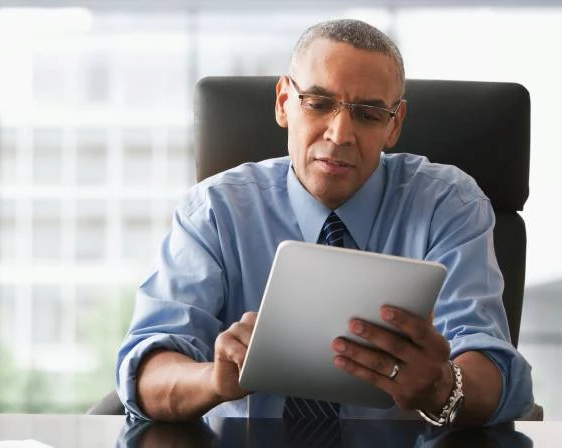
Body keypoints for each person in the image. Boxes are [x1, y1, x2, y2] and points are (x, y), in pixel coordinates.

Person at [115, 18, 534, 425]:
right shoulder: (215, 208)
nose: (339, 134)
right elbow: (146, 374)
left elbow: (493, 369)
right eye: (318, 103)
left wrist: (443, 385)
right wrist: (214, 380)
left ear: (395, 124)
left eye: (369, 114)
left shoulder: (449, 203)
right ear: (284, 103)